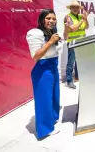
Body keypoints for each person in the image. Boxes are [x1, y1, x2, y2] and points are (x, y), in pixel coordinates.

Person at [26, 9, 61, 139]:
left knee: (54, 96)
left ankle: (52, 119)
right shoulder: (35, 33)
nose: (51, 21)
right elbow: (36, 56)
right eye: (48, 18)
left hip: (53, 68)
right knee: (44, 100)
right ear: (41, 19)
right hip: (42, 70)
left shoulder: (52, 33)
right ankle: (44, 130)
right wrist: (50, 42)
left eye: (53, 18)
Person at [63, 0, 89, 89]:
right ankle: (69, 81)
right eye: (73, 7)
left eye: (77, 7)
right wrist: (82, 20)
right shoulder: (67, 17)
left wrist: (86, 19)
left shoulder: (80, 16)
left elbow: (87, 27)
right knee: (71, 62)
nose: (75, 8)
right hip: (72, 42)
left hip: (81, 41)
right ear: (70, 8)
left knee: (80, 61)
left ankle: (78, 76)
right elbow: (73, 29)